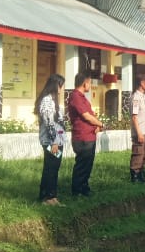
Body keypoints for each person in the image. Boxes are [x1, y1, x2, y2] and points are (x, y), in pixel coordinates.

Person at [67, 73, 103, 197]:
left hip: (89, 135)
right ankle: (77, 190)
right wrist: (100, 123)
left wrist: (96, 125)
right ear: (84, 83)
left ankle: (84, 187)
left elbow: (91, 114)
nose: (90, 85)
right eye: (90, 82)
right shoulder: (75, 96)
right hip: (82, 137)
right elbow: (85, 115)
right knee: (82, 164)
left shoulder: (82, 97)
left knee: (88, 163)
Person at [35, 73, 66, 205]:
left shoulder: (53, 100)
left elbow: (58, 123)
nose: (61, 89)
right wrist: (54, 142)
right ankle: (48, 197)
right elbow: (49, 123)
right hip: (51, 142)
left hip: (56, 141)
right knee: (51, 167)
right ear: (55, 85)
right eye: (61, 86)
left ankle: (50, 196)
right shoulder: (47, 101)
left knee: (53, 167)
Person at [130, 75, 145, 182]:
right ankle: (135, 175)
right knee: (138, 153)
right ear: (142, 83)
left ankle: (141, 174)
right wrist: (139, 133)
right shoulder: (136, 97)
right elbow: (134, 117)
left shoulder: (143, 96)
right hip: (140, 131)